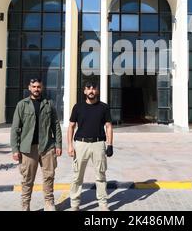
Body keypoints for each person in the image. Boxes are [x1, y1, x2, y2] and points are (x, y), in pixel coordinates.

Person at [10, 78, 62, 211]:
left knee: (49, 177)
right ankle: (25, 205)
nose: (36, 89)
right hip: (28, 148)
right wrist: (15, 149)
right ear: (29, 88)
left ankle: (49, 203)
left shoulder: (49, 104)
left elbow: (55, 125)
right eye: (34, 86)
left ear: (42, 88)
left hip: (47, 147)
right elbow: (15, 128)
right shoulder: (22, 105)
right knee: (27, 179)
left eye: (38, 86)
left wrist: (58, 144)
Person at [68, 81, 114, 211]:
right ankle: (75, 205)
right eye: (88, 88)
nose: (91, 91)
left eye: (94, 88)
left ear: (97, 91)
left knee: (100, 175)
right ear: (84, 91)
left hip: (98, 144)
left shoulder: (104, 107)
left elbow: (109, 126)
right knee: (77, 176)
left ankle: (103, 204)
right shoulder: (77, 107)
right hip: (81, 144)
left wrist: (110, 145)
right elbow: (71, 126)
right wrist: (70, 145)